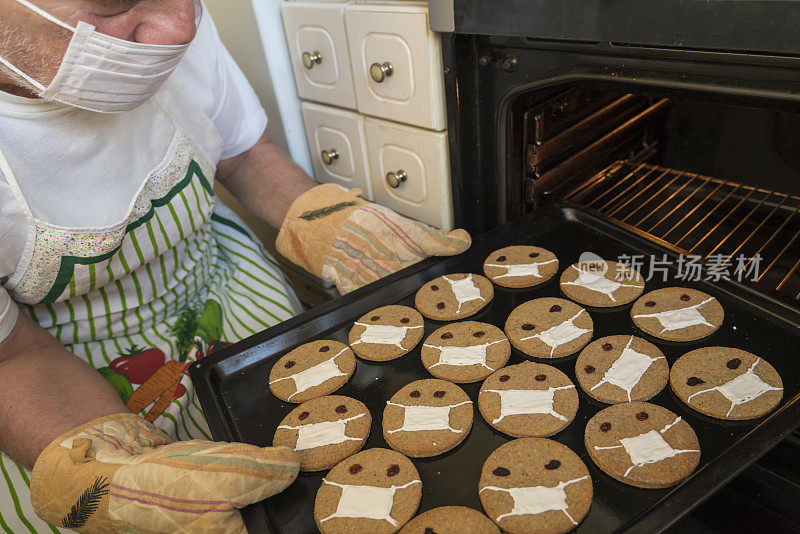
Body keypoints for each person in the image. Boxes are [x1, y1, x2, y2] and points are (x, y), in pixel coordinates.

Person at [0, 0, 471, 531]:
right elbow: (9, 358)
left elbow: (244, 154)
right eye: (114, 0)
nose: (181, 28)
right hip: (64, 383)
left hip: (231, 294)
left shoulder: (170, 22)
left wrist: (325, 223)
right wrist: (92, 465)